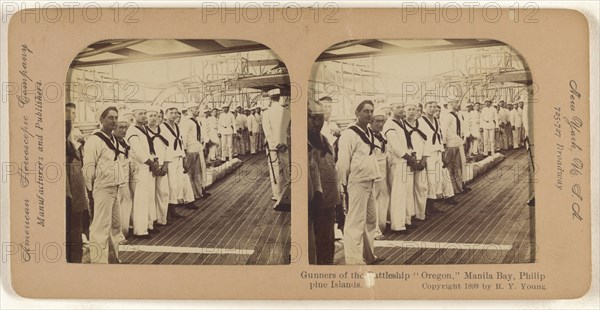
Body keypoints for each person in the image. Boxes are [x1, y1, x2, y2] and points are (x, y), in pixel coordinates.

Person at [336, 100, 382, 265]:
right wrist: (345, 184)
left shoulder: (368, 132)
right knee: (355, 223)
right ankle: (354, 261)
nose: (369, 114)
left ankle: (368, 256)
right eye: (365, 111)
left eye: (371, 111)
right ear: (357, 113)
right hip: (356, 182)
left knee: (370, 221)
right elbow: (343, 161)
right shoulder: (349, 134)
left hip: (370, 180)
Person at [83, 105, 126, 263]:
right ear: (101, 119)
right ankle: (99, 262)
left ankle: (112, 258)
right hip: (102, 188)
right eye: (110, 117)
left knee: (115, 226)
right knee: (100, 227)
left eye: (116, 117)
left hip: (115, 186)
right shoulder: (95, 140)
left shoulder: (113, 138)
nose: (114, 121)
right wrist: (91, 190)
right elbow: (88, 166)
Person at [307, 99, 340, 264]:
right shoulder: (304, 143)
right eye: (312, 117)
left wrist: (338, 205)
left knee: (327, 245)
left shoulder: (324, 140)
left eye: (319, 118)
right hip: (315, 204)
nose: (316, 122)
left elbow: (332, 169)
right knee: (314, 247)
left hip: (330, 204)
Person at [126, 105, 160, 238]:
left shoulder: (143, 129)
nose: (144, 116)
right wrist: (151, 163)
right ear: (133, 116)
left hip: (148, 166)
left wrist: (154, 159)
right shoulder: (132, 130)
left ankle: (148, 224)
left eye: (144, 113)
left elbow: (149, 147)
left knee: (149, 197)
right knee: (140, 198)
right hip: (140, 167)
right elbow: (139, 152)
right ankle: (140, 230)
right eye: (140, 113)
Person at [383, 101, 413, 233]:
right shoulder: (389, 124)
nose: (402, 110)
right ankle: (397, 225)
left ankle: (405, 220)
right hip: (397, 161)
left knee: (405, 192)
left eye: (402, 107)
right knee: (398, 193)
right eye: (398, 108)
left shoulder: (400, 123)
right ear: (391, 109)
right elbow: (395, 147)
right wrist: (409, 158)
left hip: (404, 161)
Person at [66, 103, 89, 263]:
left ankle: (76, 256)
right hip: (70, 181)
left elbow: (80, 156)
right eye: (68, 112)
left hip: (76, 176)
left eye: (73, 113)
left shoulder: (76, 132)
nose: (71, 116)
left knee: (77, 218)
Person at [262, 89, 291, 202]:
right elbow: (288, 130)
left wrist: (274, 144)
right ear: (279, 98)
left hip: (272, 146)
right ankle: (289, 192)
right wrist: (282, 142)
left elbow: (267, 131)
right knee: (287, 167)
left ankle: (277, 194)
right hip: (284, 144)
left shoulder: (267, 112)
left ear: (270, 98)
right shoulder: (286, 111)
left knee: (274, 170)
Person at [420, 101, 448, 214]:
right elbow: (422, 139)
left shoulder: (436, 120)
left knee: (437, 178)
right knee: (430, 179)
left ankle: (433, 204)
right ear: (425, 108)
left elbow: (439, 136)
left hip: (437, 150)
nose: (432, 109)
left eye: (434, 107)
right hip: (428, 152)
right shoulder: (420, 121)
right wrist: (423, 156)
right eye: (430, 107)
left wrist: (442, 151)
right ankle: (427, 206)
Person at [180, 102, 209, 206]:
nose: (198, 110)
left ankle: (199, 192)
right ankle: (189, 196)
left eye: (197, 108)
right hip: (190, 150)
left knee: (199, 172)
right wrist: (184, 150)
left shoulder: (196, 121)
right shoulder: (187, 122)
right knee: (190, 174)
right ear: (190, 110)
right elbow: (183, 136)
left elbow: (198, 135)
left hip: (197, 148)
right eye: (196, 108)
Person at [403, 102, 428, 221]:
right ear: (404, 111)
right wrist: (411, 161)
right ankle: (409, 216)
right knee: (408, 189)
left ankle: (420, 214)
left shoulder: (421, 124)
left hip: (421, 159)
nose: (412, 111)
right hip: (409, 161)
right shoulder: (402, 125)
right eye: (409, 109)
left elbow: (426, 142)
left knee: (422, 187)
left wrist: (423, 159)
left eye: (414, 109)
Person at [161, 105, 187, 219]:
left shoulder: (177, 126)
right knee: (171, 184)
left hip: (178, 156)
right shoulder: (162, 127)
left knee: (178, 184)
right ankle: (168, 211)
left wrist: (183, 156)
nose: (174, 115)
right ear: (166, 114)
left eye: (176, 113)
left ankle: (174, 208)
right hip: (169, 158)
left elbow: (180, 141)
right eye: (171, 112)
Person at [441, 98, 472, 195]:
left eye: (457, 102)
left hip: (458, 142)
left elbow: (462, 128)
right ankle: (452, 189)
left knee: (459, 165)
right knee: (451, 167)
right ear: (450, 103)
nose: (457, 104)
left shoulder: (458, 114)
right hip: (450, 144)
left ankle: (460, 186)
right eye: (455, 102)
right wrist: (444, 143)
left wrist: (465, 138)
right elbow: (444, 130)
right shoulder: (446, 115)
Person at [113, 109, 133, 242]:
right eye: (121, 127)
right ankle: (117, 234)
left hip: (124, 179)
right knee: (116, 208)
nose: (124, 130)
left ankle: (124, 230)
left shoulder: (124, 141)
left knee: (126, 203)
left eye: (125, 127)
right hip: (115, 180)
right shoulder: (111, 142)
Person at [370, 108, 390, 239]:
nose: (380, 124)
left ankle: (382, 226)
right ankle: (375, 230)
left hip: (383, 171)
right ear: (370, 122)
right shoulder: (368, 136)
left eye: (382, 121)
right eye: (377, 121)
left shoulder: (381, 135)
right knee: (374, 202)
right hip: (373, 171)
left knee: (383, 199)